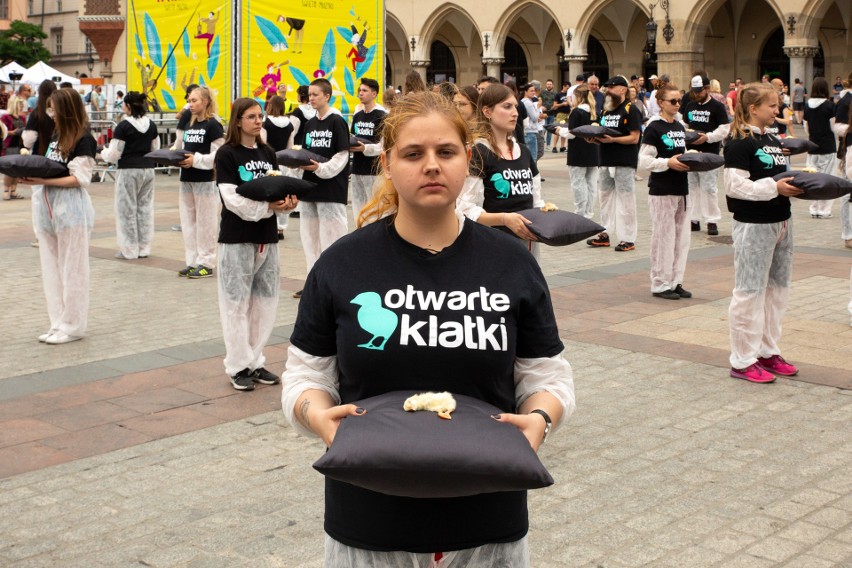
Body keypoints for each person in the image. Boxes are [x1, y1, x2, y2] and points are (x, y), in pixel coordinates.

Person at [281, 90, 574, 567]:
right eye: (413, 154)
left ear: (467, 162)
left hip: (488, 518)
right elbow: (306, 375)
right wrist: (317, 416)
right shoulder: (343, 262)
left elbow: (546, 375)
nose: (431, 166)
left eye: (446, 152)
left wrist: (540, 420)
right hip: (369, 520)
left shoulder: (510, 264)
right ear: (389, 166)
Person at [215, 97, 298, 390]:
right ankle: (238, 366)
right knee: (236, 304)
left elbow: (277, 188)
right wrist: (268, 208)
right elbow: (232, 199)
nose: (258, 121)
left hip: (266, 237)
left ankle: (255, 360)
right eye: (251, 116)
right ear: (237, 121)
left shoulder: (267, 153)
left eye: (260, 115)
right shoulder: (227, 154)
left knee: (263, 302)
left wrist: (286, 203)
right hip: (236, 237)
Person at [724, 82, 803, 383]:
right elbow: (734, 186)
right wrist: (775, 187)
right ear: (753, 108)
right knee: (749, 292)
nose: (777, 110)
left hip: (782, 221)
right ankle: (743, 360)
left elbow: (779, 175)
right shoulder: (739, 142)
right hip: (754, 225)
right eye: (772, 105)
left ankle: (768, 351)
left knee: (777, 291)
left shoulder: (771, 138)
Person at [19, 89, 97, 344]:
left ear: (65, 109)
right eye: (48, 108)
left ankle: (73, 325)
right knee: (51, 267)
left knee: (73, 269)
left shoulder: (83, 139)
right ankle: (57, 322)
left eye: (53, 109)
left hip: (71, 209)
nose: (50, 113)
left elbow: (80, 178)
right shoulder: (56, 135)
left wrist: (41, 179)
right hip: (48, 206)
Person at [458, 83, 543, 257]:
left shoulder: (523, 152)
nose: (515, 113)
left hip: (527, 244)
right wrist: (504, 219)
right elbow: (465, 208)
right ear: (487, 112)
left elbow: (536, 200)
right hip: (491, 245)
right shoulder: (478, 152)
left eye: (515, 107)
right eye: (507, 106)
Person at [294, 77, 350, 298]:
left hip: (331, 189)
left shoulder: (337, 121)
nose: (311, 98)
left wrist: (322, 169)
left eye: (315, 94)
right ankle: (313, 282)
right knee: (310, 239)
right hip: (310, 189)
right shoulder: (310, 124)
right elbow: (306, 152)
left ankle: (335, 284)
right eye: (309, 95)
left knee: (332, 239)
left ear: (327, 96)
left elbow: (342, 155)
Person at [639, 84, 693, 301]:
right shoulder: (654, 128)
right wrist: (667, 163)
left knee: (681, 237)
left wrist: (691, 159)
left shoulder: (679, 126)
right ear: (660, 103)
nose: (677, 104)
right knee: (664, 236)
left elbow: (683, 153)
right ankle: (660, 283)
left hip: (682, 188)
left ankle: (675, 280)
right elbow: (644, 161)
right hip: (662, 189)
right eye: (673, 101)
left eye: (679, 101)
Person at [172, 86, 225, 278]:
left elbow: (218, 155)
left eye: (194, 100)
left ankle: (207, 262)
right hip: (187, 179)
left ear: (205, 102)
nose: (190, 104)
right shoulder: (190, 124)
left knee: (206, 223)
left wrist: (196, 160)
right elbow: (183, 148)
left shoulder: (213, 125)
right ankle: (193, 260)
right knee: (189, 222)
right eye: (189, 100)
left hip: (206, 180)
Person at [100, 91, 160, 260]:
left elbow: (114, 153)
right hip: (148, 169)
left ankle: (129, 249)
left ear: (127, 106)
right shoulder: (152, 125)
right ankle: (144, 247)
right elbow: (155, 148)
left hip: (128, 170)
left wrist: (104, 152)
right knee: (145, 209)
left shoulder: (123, 126)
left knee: (126, 210)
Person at [586, 75, 643, 252]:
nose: (608, 91)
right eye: (607, 87)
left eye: (611, 87)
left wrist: (613, 140)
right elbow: (603, 136)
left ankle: (627, 238)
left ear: (623, 90)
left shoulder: (630, 109)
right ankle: (605, 233)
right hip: (605, 160)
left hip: (624, 161)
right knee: (605, 198)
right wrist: (593, 139)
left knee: (626, 200)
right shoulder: (606, 110)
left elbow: (634, 138)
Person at [683, 74, 730, 236]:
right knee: (691, 186)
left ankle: (712, 220)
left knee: (709, 188)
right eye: (694, 91)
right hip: (690, 152)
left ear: (708, 89)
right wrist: (686, 135)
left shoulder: (717, 107)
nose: (696, 94)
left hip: (709, 152)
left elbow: (724, 129)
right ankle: (693, 219)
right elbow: (685, 124)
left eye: (699, 90)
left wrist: (708, 137)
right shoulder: (690, 105)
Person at [556, 84, 600, 219]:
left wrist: (559, 130)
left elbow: (572, 133)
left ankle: (580, 212)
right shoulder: (594, 111)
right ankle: (589, 212)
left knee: (578, 183)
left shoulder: (577, 112)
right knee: (591, 184)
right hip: (593, 150)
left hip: (578, 151)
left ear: (578, 96)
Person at [349, 78, 386, 223]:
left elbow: (383, 145)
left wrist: (366, 148)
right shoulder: (358, 115)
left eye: (364, 91)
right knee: (358, 205)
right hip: (357, 167)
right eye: (359, 90)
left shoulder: (381, 116)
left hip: (373, 169)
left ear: (374, 93)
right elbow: (353, 136)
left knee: (375, 206)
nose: (360, 93)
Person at [260, 94, 296, 239]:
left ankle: (270, 225)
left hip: (269, 162)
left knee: (269, 196)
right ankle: (281, 228)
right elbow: (290, 146)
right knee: (283, 196)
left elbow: (263, 144)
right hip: (284, 163)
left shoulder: (265, 123)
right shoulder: (289, 124)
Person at [803, 77, 837, 219]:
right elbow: (833, 127)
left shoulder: (807, 106)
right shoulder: (830, 106)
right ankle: (824, 210)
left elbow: (806, 127)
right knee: (827, 178)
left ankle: (814, 208)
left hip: (812, 146)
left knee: (813, 179)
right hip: (828, 146)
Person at [2, 86, 29, 200]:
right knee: (9, 170)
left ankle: (13, 191)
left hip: (20, 145)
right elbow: (3, 132)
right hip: (9, 146)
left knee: (17, 169)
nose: (22, 105)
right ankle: (5, 191)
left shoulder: (22, 118)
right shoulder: (5, 117)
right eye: (20, 104)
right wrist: (13, 132)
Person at [520, 82, 542, 161]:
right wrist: (538, 107)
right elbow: (535, 117)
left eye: (534, 91)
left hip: (526, 131)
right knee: (533, 157)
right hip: (530, 131)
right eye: (531, 91)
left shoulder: (522, 101)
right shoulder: (528, 103)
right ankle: (533, 173)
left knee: (527, 156)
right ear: (525, 92)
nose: (533, 92)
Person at [551, 83, 570, 152]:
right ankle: (554, 146)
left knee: (564, 130)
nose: (568, 89)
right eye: (567, 88)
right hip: (560, 113)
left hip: (568, 113)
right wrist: (562, 104)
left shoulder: (569, 95)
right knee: (558, 128)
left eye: (569, 88)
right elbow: (555, 105)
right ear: (563, 86)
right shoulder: (558, 94)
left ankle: (562, 146)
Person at [540, 79, 556, 150]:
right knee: (543, 129)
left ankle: (548, 145)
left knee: (550, 130)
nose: (549, 85)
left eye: (550, 84)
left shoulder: (555, 93)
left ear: (553, 85)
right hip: (544, 113)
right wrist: (541, 107)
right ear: (546, 85)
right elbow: (539, 100)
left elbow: (556, 102)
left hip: (551, 113)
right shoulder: (542, 92)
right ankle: (542, 143)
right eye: (548, 84)